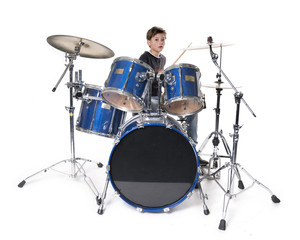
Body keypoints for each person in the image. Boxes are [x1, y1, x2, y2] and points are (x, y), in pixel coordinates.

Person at [139, 26, 199, 145]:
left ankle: (192, 148)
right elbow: (141, 80)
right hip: (148, 98)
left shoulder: (163, 59)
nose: (160, 42)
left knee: (193, 109)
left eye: (163, 39)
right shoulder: (145, 57)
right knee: (156, 108)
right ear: (149, 42)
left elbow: (163, 83)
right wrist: (157, 75)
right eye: (156, 39)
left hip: (160, 97)